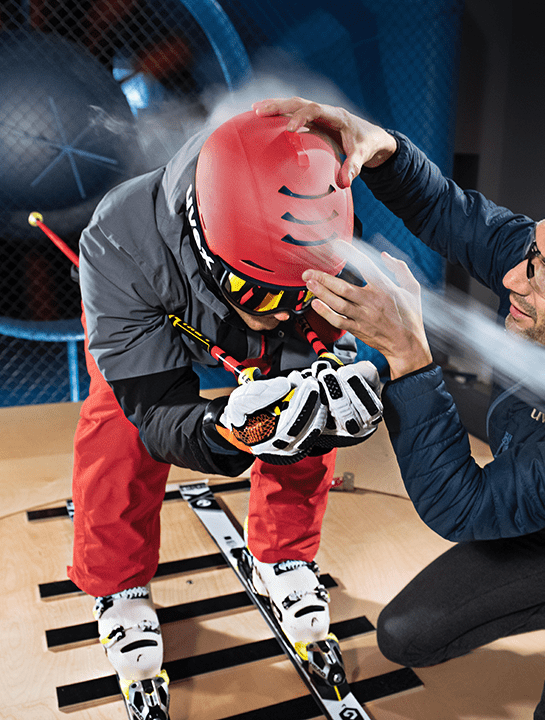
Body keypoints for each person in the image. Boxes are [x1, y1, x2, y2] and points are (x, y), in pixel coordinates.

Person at [254, 97, 545, 719]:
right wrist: (384, 150)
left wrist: (408, 357)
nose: (515, 278)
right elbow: (456, 216)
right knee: (408, 636)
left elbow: (465, 505)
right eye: (533, 253)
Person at [69, 109, 384, 720]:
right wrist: (227, 434)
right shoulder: (117, 242)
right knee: (118, 427)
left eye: (301, 291)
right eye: (265, 296)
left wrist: (345, 387)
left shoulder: (319, 227)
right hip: (151, 312)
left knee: (310, 408)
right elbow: (156, 410)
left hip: (243, 297)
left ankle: (284, 554)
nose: (282, 313)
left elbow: (329, 341)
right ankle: (116, 585)